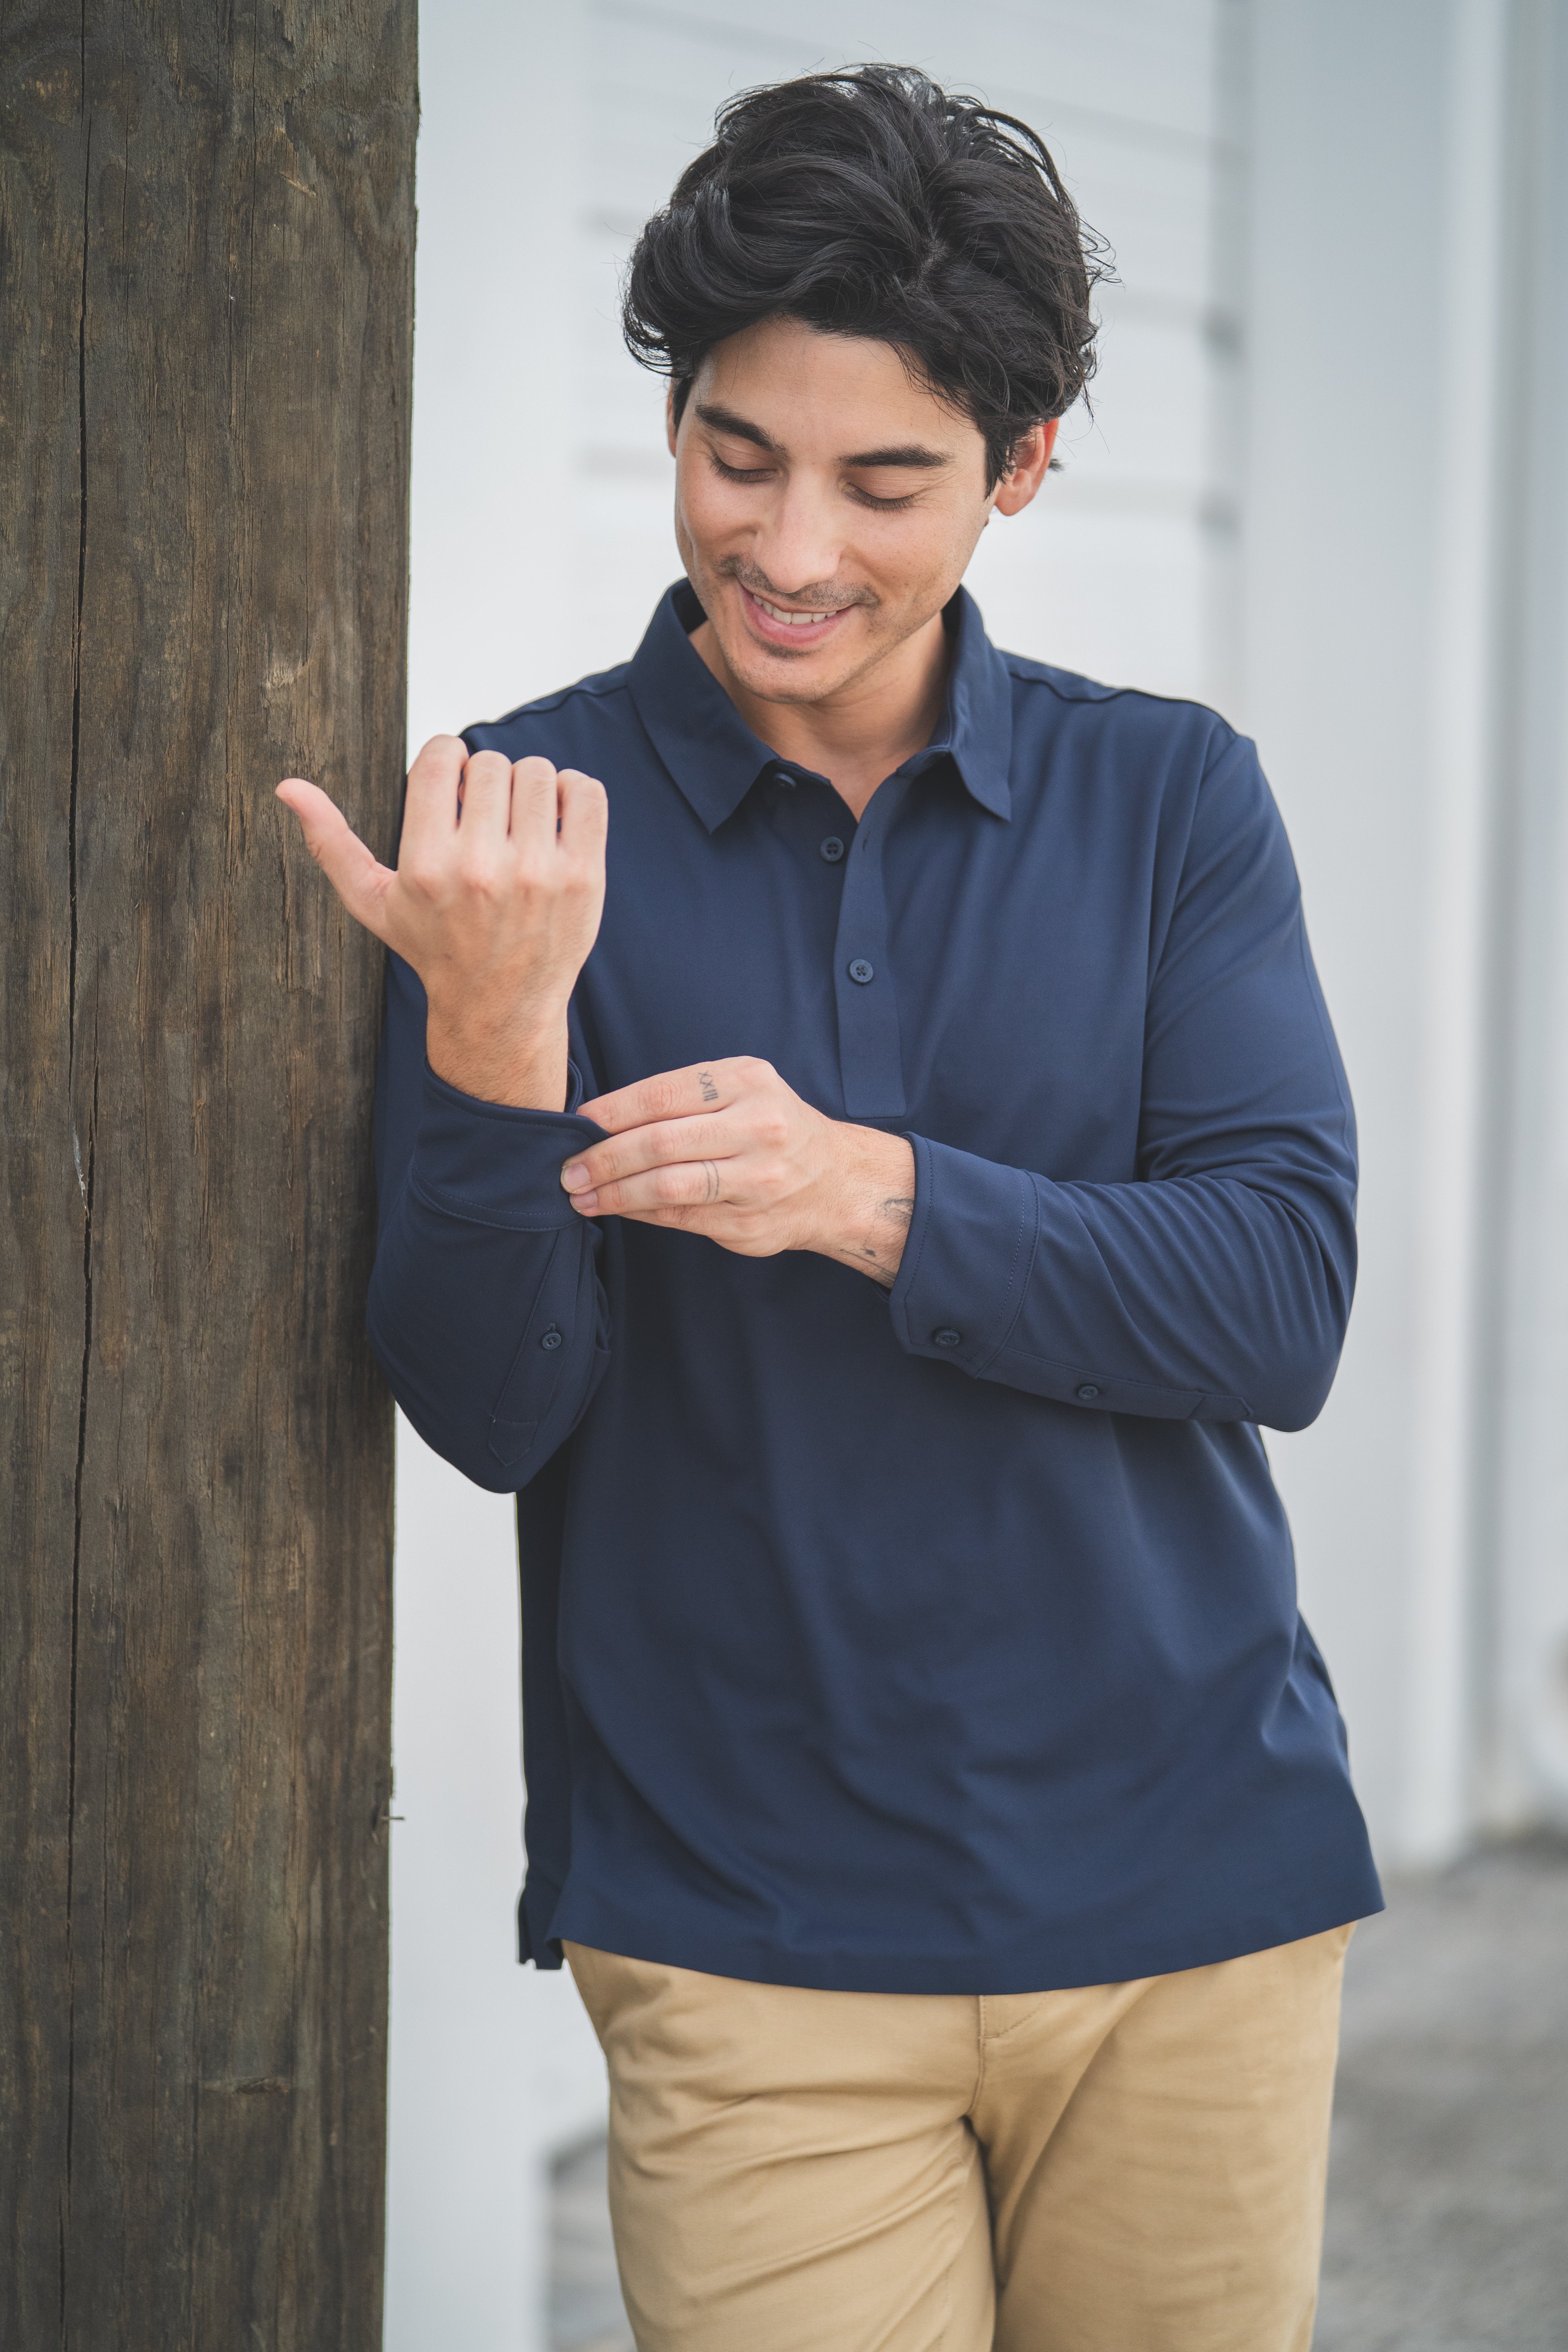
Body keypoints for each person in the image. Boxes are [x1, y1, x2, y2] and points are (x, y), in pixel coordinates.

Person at [280, 64, 1380, 2352]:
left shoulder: (1170, 797)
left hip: (1199, 1889)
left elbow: (1279, 1293)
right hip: (744, 1927)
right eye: (735, 454)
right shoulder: (521, 817)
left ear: (1026, 466)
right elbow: (492, 1410)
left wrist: (868, 1194)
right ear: (674, 416)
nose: (791, 547)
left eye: (888, 482)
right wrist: (493, 1038)